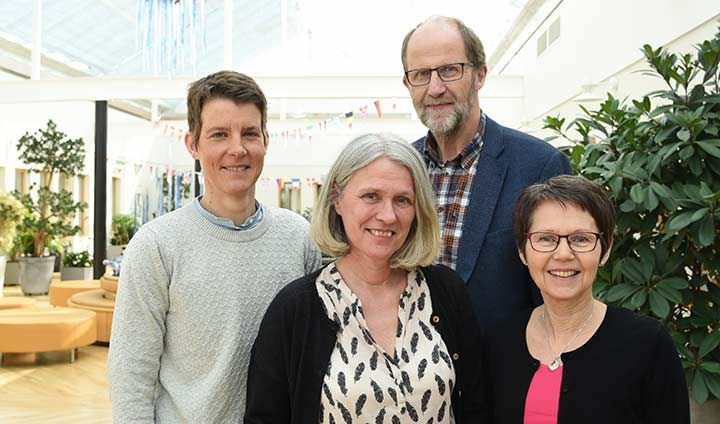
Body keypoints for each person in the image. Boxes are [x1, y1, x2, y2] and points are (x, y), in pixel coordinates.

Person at [108, 71, 322, 423]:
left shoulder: (299, 237)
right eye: (219, 134)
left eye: (249, 133)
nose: (236, 149)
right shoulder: (156, 245)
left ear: (266, 139)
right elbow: (131, 373)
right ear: (193, 144)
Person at [244, 133, 484, 423]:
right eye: (371, 196)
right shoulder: (295, 309)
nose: (387, 215)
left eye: (402, 200)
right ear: (337, 198)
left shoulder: (445, 292)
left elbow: (476, 406)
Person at [401, 16, 573, 329]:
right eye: (421, 74)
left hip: (505, 371)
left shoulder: (540, 166)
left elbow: (562, 294)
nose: (435, 88)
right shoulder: (401, 169)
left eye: (450, 70)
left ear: (479, 74)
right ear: (407, 84)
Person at [483, 175, 689, 423]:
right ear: (522, 251)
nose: (563, 254)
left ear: (606, 249)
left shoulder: (647, 344)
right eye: (546, 238)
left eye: (581, 239)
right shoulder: (499, 342)